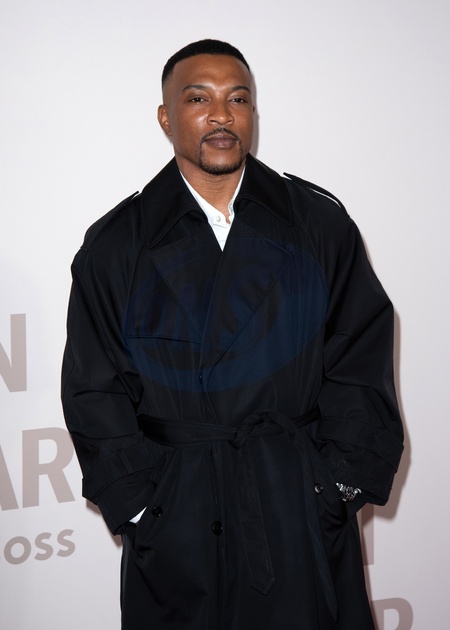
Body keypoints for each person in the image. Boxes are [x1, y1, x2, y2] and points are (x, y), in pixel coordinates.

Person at [61, 39, 403, 630]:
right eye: (199, 99)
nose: (221, 115)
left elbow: (361, 355)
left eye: (238, 99)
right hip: (180, 517)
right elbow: (94, 389)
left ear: (253, 114)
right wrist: (143, 508)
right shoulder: (118, 244)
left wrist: (336, 486)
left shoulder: (317, 223)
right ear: (166, 117)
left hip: (295, 500)